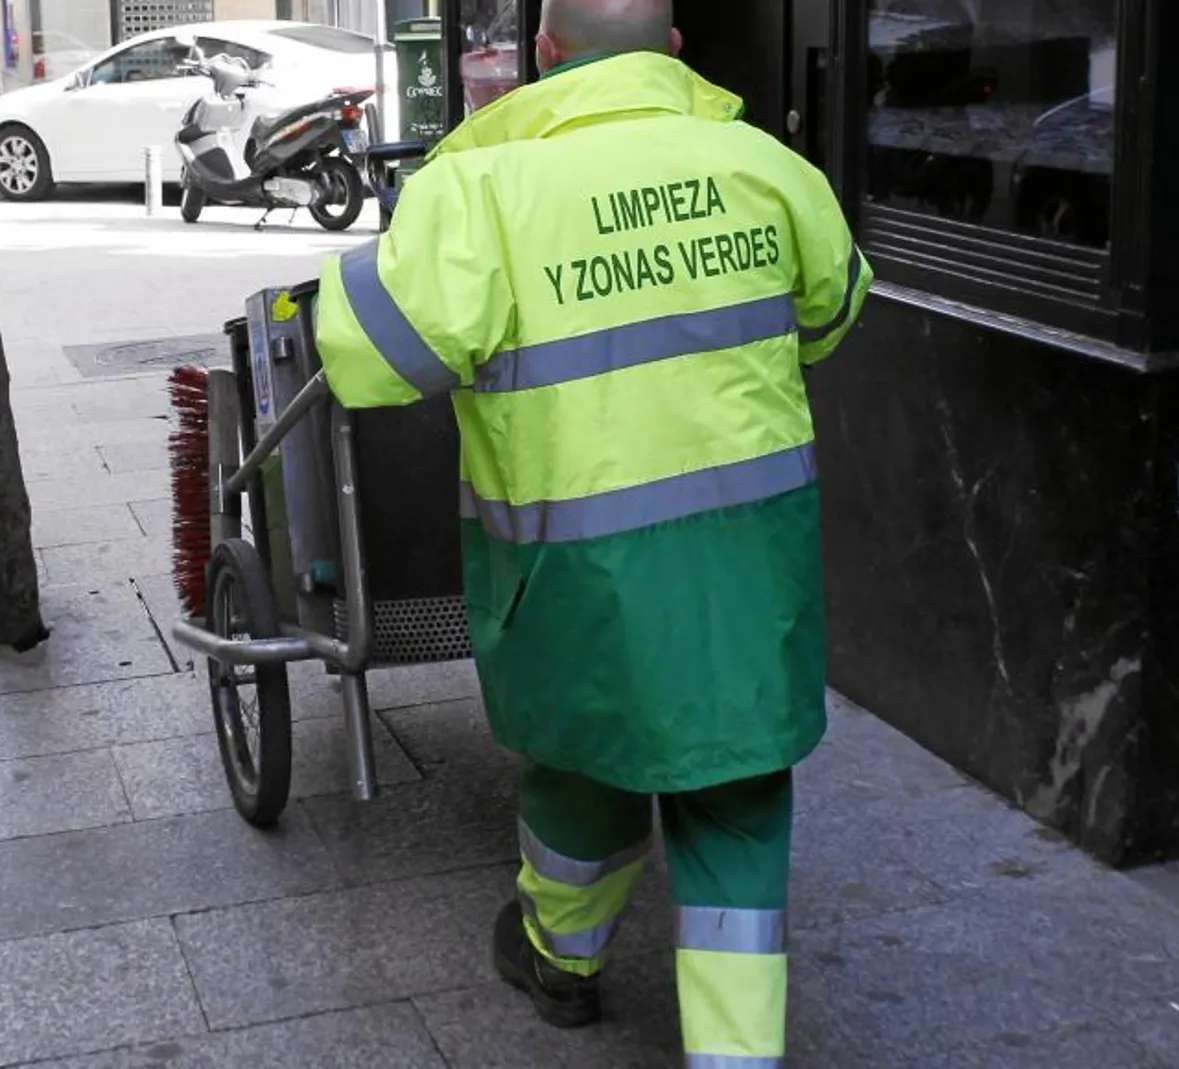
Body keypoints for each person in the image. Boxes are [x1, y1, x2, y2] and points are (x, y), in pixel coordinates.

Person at [311, 0, 870, 1064]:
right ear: (670, 54)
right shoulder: (767, 167)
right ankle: (736, 1054)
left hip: (576, 572)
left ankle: (558, 960)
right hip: (748, 572)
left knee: (583, 765)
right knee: (739, 804)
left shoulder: (480, 190)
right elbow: (833, 314)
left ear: (543, 56)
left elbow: (370, 358)